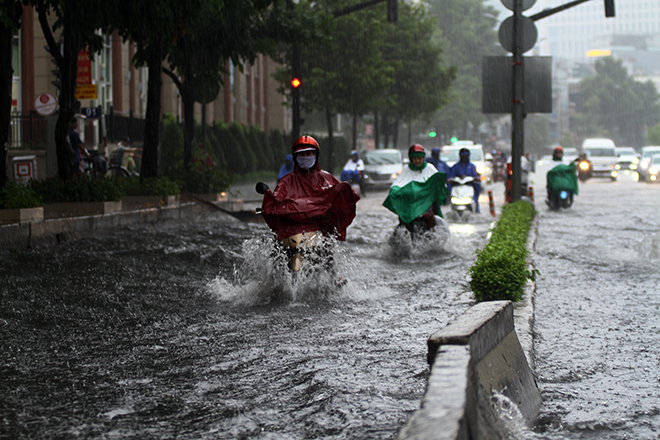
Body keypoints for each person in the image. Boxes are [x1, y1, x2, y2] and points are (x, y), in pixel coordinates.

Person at [259, 135, 360, 242]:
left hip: (320, 234)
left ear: (316, 155)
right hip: (292, 234)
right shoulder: (286, 181)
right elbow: (276, 202)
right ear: (295, 157)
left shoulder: (327, 178)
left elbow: (339, 202)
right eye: (301, 154)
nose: (305, 157)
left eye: (308, 154)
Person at [383, 144, 447, 231]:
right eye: (414, 158)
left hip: (426, 204)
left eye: (419, 158)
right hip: (410, 205)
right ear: (410, 158)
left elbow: (439, 183)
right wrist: (394, 191)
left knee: (432, 218)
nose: (417, 161)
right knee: (403, 222)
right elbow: (396, 184)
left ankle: (434, 233)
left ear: (423, 158)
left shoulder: (429, 168)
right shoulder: (406, 169)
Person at [449, 148, 481, 213]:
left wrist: (476, 178)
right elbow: (451, 176)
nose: (464, 158)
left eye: (466, 156)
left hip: (469, 186)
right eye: (463, 156)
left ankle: (476, 209)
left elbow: (476, 176)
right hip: (458, 186)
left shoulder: (472, 166)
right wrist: (449, 179)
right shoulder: (455, 166)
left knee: (476, 193)